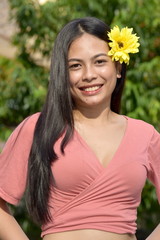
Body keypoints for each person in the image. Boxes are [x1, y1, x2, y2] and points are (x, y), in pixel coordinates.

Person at [0, 17, 159, 240]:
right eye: (75, 65)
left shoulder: (145, 135)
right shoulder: (38, 127)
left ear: (118, 67)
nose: (89, 75)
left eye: (100, 62)